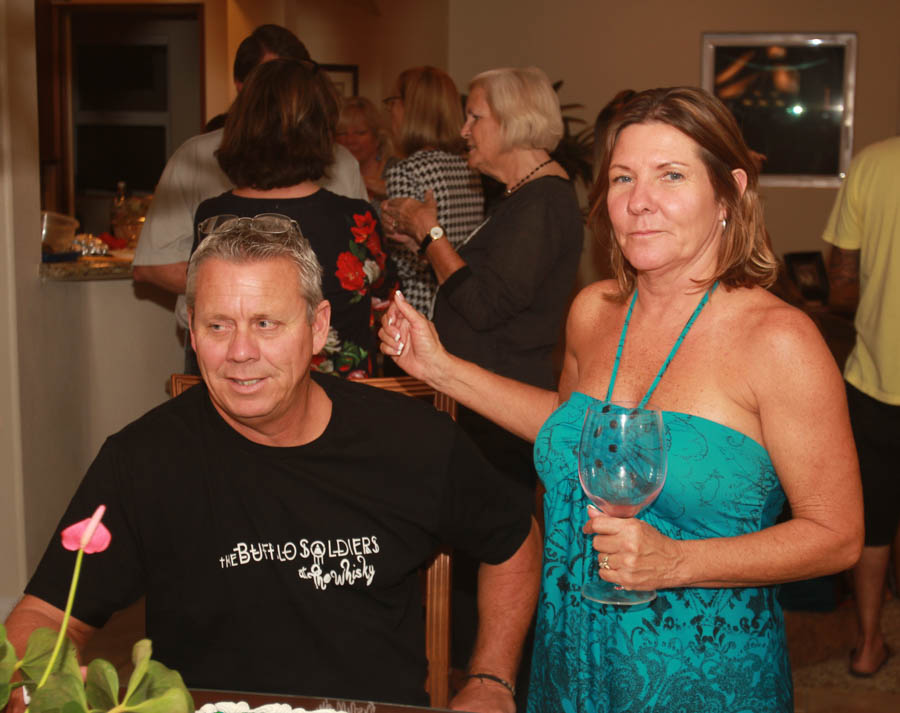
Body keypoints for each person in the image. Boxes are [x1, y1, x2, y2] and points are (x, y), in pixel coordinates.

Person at [380, 86, 863, 713]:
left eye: (671, 176)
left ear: (729, 192)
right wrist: (440, 369)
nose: (639, 203)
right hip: (567, 662)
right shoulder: (594, 311)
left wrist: (675, 562)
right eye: (622, 178)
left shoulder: (778, 341)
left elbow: (838, 535)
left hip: (702, 677)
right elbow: (572, 431)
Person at [4, 221, 541, 713]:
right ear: (191, 330)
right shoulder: (141, 461)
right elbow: (43, 617)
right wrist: (40, 684)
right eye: (218, 325)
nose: (241, 352)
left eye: (266, 323)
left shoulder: (411, 440)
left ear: (316, 327)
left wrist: (491, 680)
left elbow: (515, 542)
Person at [132, 24, 367, 341]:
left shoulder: (342, 162)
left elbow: (364, 271)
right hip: (223, 345)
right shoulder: (195, 158)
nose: (284, 99)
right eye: (271, 84)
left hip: (327, 344)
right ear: (243, 88)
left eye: (293, 85)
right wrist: (253, 294)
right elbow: (151, 265)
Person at [191, 58, 393, 379]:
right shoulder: (355, 219)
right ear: (321, 130)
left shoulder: (214, 218)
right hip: (343, 411)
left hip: (240, 400)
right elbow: (382, 297)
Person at [823, 135, 900, 677]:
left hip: (876, 381)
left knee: (872, 524)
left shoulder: (874, 162)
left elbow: (842, 282)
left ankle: (869, 645)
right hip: (872, 382)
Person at [382, 66, 484, 317]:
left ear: (411, 108)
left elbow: (405, 263)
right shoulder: (468, 167)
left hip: (422, 305)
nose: (389, 111)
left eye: (392, 102)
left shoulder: (406, 170)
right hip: (460, 298)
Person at [336, 96, 395, 202]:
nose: (350, 140)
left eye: (360, 133)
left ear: (377, 137)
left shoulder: (397, 170)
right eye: (342, 133)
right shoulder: (331, 176)